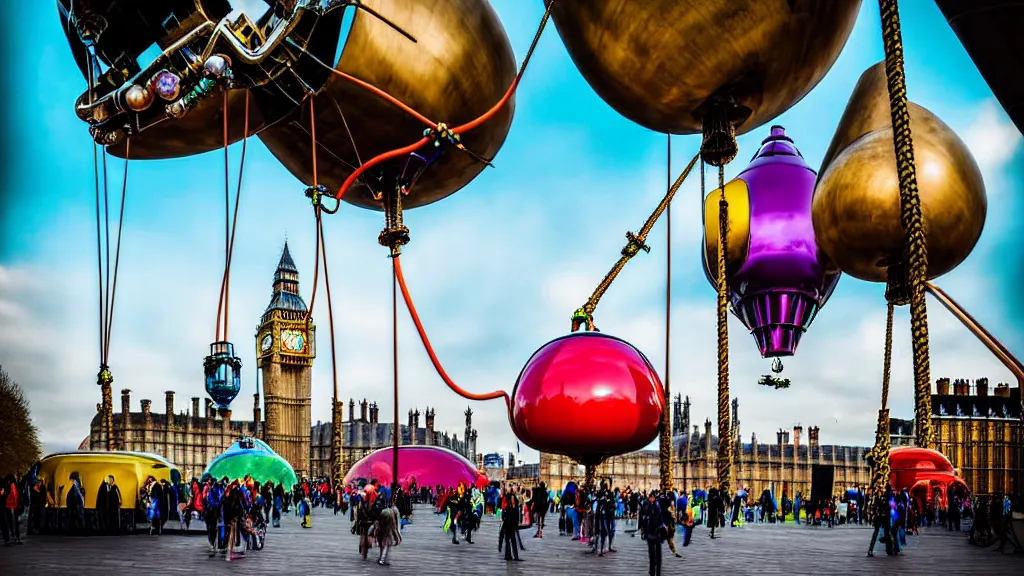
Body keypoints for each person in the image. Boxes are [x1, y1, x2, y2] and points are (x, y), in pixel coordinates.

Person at [642, 491, 665, 576]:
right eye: (650, 497)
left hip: (655, 533)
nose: (651, 499)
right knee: (652, 555)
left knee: (657, 555)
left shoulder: (656, 507)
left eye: (652, 497)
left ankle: (656, 572)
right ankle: (652, 572)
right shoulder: (648, 507)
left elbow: (659, 521)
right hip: (651, 533)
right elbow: (644, 520)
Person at [868, 487, 894, 557]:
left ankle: (889, 550)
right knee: (881, 532)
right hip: (881, 516)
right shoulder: (878, 496)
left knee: (886, 533)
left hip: (883, 516)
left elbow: (891, 506)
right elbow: (873, 506)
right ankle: (871, 550)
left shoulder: (886, 495)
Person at [374, 499, 402, 565]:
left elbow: (378, 522)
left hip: (382, 529)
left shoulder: (383, 511)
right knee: (386, 545)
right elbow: (394, 526)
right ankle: (383, 559)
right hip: (387, 531)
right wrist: (397, 536)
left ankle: (382, 558)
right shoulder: (392, 513)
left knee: (382, 545)